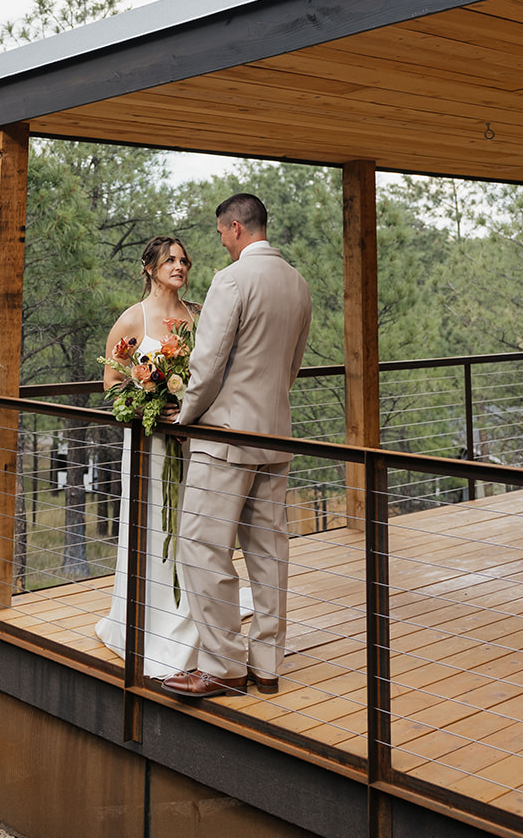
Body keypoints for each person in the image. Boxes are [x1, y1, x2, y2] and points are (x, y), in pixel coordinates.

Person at [162, 193, 312, 701]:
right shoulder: (297, 282)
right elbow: (290, 367)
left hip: (224, 438)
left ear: (235, 227)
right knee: (269, 554)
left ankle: (223, 665)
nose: (222, 241)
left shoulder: (231, 280)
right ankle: (266, 666)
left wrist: (184, 417)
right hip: (275, 434)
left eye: (222, 233)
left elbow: (206, 366)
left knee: (202, 548)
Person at [95, 236, 201, 679]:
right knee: (153, 522)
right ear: (149, 268)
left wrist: (188, 405)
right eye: (170, 260)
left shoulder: (197, 317)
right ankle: (145, 620)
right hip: (149, 443)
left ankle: (191, 619)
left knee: (192, 525)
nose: (179, 266)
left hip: (191, 439)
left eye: (184, 260)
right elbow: (111, 385)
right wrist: (147, 405)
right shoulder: (131, 320)